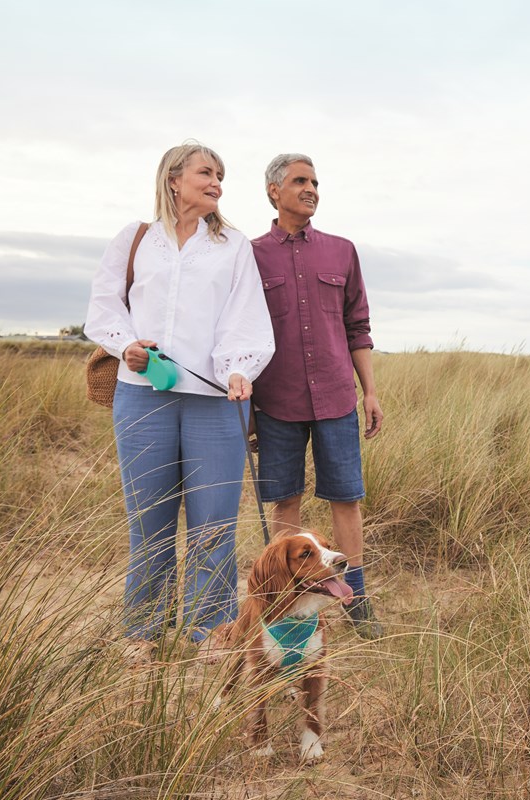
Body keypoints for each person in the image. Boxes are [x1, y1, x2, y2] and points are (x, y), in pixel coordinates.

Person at [85, 141, 275, 661]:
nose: (216, 183)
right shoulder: (135, 239)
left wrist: (240, 370)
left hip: (216, 401)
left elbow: (247, 316)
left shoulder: (233, 245)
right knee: (150, 519)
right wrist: (127, 345)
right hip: (142, 396)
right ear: (174, 179)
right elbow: (103, 307)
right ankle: (142, 630)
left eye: (220, 176)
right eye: (206, 173)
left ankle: (210, 629)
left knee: (213, 520)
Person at [250, 153, 384, 639]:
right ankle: (289, 599)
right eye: (299, 181)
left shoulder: (342, 251)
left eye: (315, 182)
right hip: (276, 401)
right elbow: (242, 333)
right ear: (273, 191)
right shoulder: (250, 255)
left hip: (335, 398)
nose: (311, 189)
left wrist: (369, 391)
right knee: (285, 501)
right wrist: (246, 409)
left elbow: (358, 326)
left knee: (345, 499)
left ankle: (358, 601)